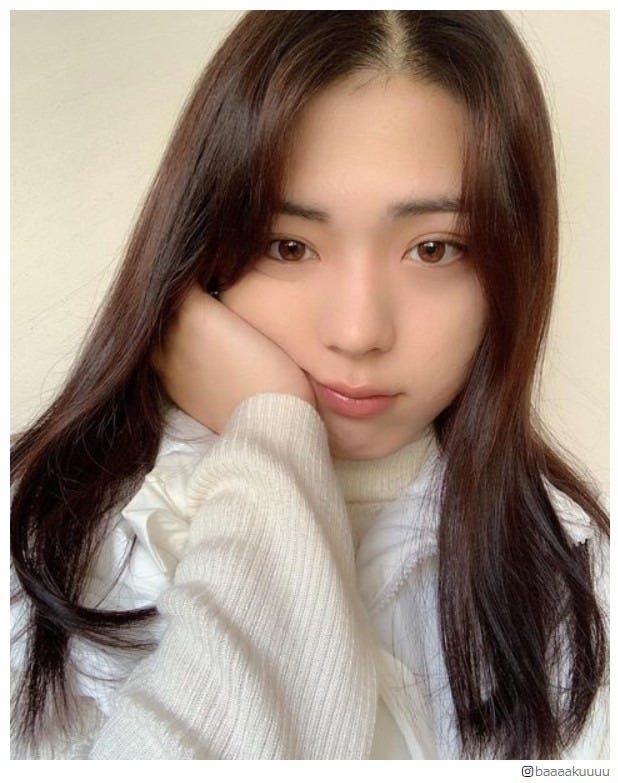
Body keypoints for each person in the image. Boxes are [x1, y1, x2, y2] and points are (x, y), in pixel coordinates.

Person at [10, 10, 609, 760]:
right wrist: (275, 442)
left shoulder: (577, 577)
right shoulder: (41, 537)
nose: (357, 332)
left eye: (434, 248)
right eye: (288, 246)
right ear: (199, 256)